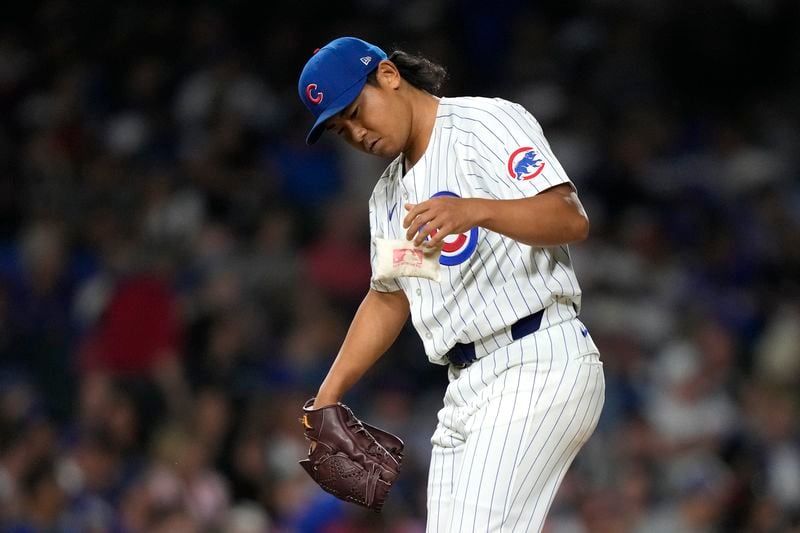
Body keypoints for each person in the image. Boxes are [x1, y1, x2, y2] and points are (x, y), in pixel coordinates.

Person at [297, 36, 605, 532]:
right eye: (340, 128)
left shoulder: (481, 124)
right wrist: (327, 395)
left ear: (389, 76)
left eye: (356, 110)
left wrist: (475, 208)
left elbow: (570, 219)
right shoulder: (388, 198)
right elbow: (389, 296)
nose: (356, 132)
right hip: (466, 388)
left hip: (537, 358)